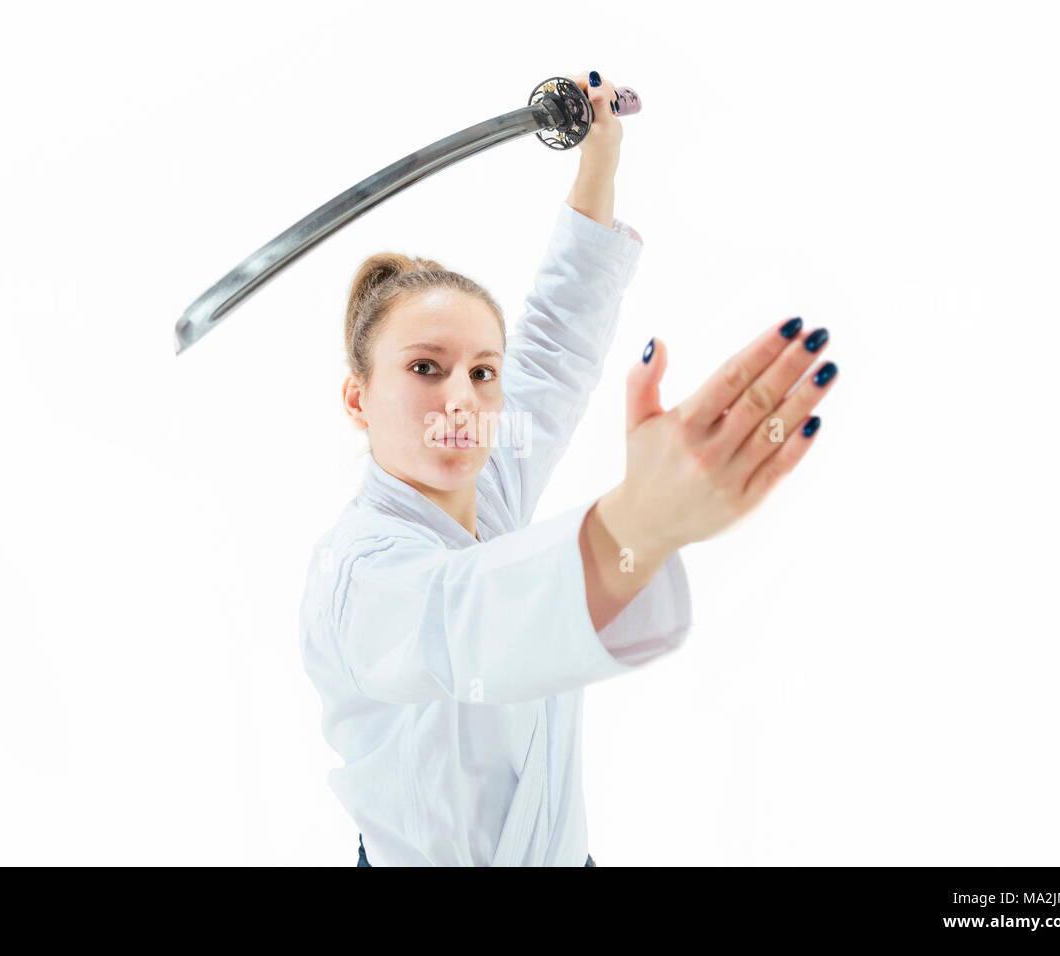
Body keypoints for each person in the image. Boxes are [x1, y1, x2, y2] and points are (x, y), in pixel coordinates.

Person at [298, 71, 839, 866]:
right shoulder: (357, 576)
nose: (464, 398)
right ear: (357, 397)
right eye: (424, 368)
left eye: (484, 372)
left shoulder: (487, 483)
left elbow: (552, 340)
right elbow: (467, 626)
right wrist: (640, 525)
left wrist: (598, 162)